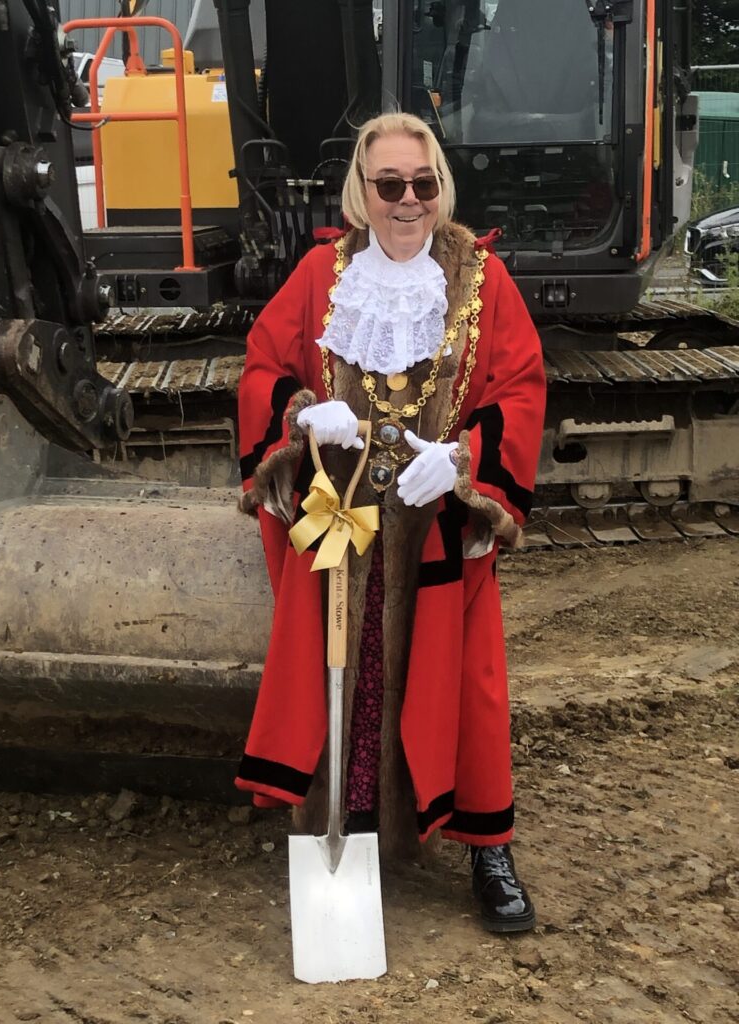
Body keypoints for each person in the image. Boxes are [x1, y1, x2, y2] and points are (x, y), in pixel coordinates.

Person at [236, 112, 546, 933]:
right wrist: (305, 415)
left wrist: (466, 461)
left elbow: (520, 387)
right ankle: (356, 824)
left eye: (423, 183)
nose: (408, 200)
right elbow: (263, 365)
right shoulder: (319, 274)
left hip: (434, 523)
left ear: (439, 187)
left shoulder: (483, 278)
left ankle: (490, 848)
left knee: (467, 682)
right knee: (349, 667)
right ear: (362, 192)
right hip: (343, 519)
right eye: (389, 185)